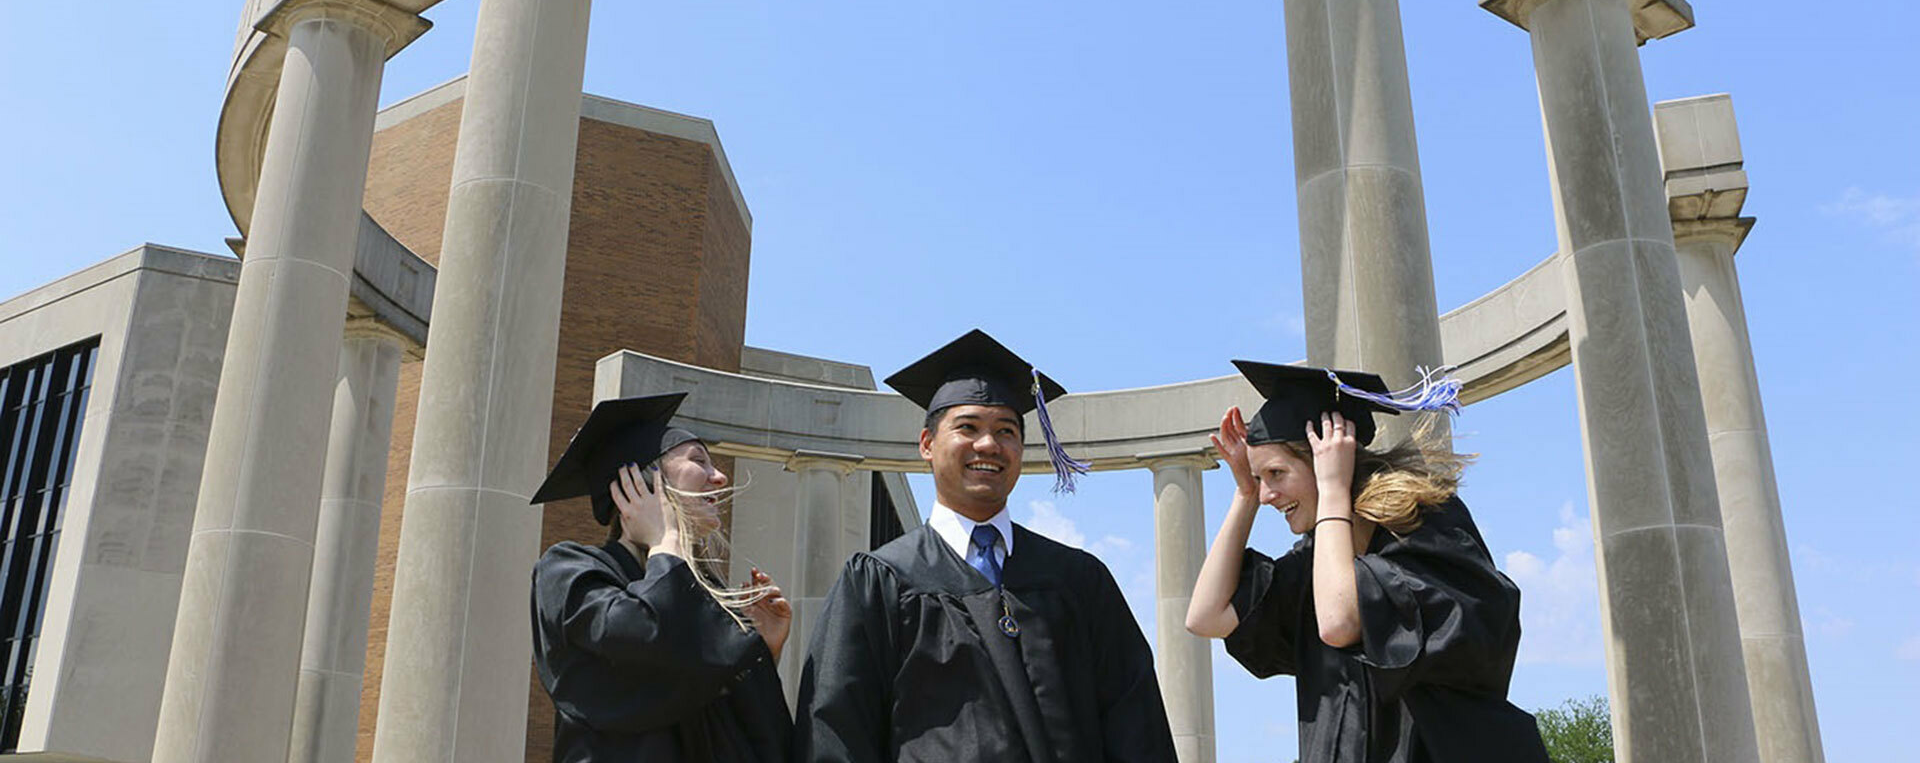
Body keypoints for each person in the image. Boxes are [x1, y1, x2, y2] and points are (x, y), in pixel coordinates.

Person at [792, 329, 1177, 763]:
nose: (989, 444)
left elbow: (1137, 724)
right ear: (927, 445)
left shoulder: (1078, 579)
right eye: (968, 427)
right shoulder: (880, 582)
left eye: (1006, 431)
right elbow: (835, 734)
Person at [1184, 361, 1551, 763]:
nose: (1268, 493)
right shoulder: (1314, 563)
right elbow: (1206, 616)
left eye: (1276, 473)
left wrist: (1334, 489)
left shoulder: (1427, 530)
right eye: (1259, 480)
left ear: (1326, 460)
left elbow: (1339, 621)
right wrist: (1244, 496)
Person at [529, 392, 794, 762]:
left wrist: (758, 654)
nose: (720, 477)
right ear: (642, 482)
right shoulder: (570, 571)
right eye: (699, 461)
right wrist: (665, 540)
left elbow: (755, 739)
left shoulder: (703, 595)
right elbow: (642, 640)